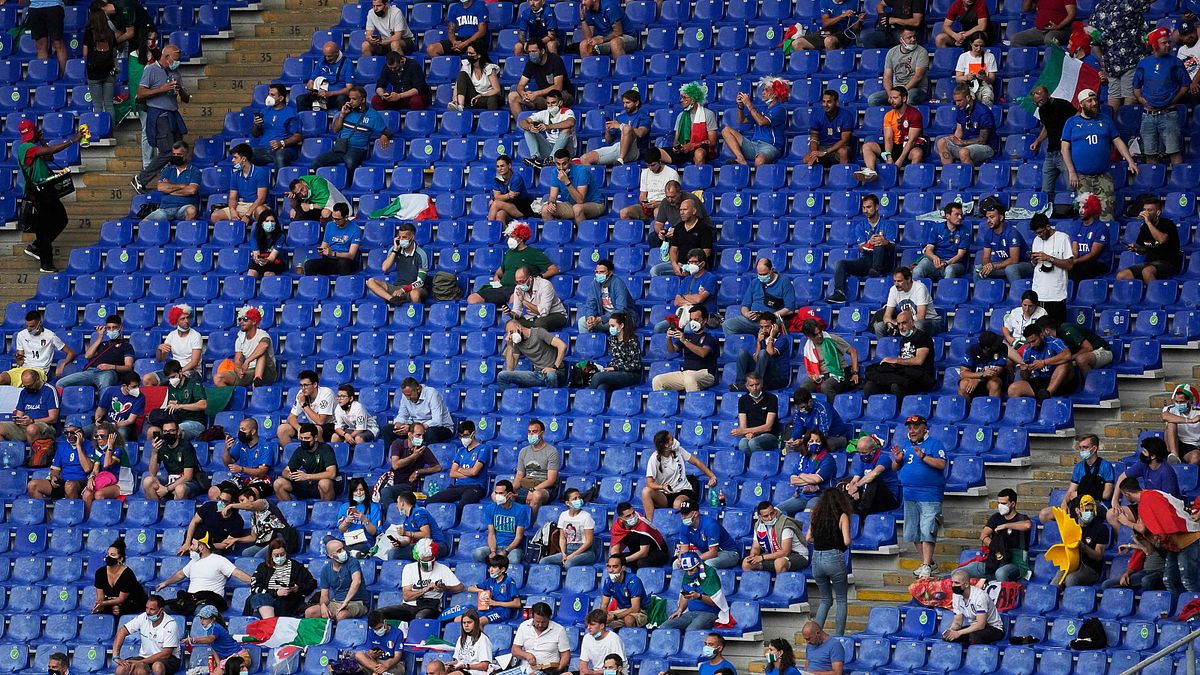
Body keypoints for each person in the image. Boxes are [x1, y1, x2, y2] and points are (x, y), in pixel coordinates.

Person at [1062, 88, 1138, 220]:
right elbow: (1064, 148)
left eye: (1095, 99)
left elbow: (1118, 141)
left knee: (1107, 211)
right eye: (1089, 101)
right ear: (1081, 104)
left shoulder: (1106, 120)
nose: (1094, 103)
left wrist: (1130, 161)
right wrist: (1071, 171)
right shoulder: (1071, 123)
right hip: (1082, 176)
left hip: (1103, 175)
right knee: (1085, 213)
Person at [130, 45, 189, 198]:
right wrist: (162, 89)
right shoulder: (151, 70)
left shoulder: (175, 73)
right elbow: (141, 93)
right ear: (167, 56)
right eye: (175, 59)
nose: (177, 63)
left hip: (173, 114)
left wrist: (180, 90)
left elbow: (186, 99)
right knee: (169, 151)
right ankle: (141, 179)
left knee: (178, 151)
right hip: (158, 114)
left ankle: (171, 182)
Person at [892, 415, 948, 578]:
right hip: (909, 494)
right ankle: (929, 564)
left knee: (927, 529)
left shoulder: (935, 444)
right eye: (909, 427)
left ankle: (925, 565)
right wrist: (897, 460)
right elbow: (895, 468)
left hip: (929, 494)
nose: (912, 430)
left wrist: (923, 456)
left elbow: (941, 464)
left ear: (925, 427)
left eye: (916, 427)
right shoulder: (906, 445)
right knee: (914, 531)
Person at [17, 124, 79, 265]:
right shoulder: (24, 148)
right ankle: (46, 263)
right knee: (45, 226)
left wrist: (41, 140)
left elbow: (49, 156)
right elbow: (52, 150)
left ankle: (37, 247)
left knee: (61, 219)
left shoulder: (34, 147)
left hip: (46, 190)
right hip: (39, 193)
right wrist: (72, 141)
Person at [467, 221, 559, 305]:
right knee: (473, 298)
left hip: (518, 289)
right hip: (501, 289)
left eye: (512, 236)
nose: (509, 239)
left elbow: (554, 269)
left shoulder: (533, 253)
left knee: (515, 303)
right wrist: (496, 277)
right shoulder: (509, 253)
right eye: (509, 236)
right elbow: (499, 271)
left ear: (521, 237)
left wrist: (539, 277)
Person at [1134, 27, 1189, 164]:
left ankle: (1180, 183)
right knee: (1149, 153)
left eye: (1168, 42)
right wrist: (1141, 99)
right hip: (1148, 115)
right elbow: (1136, 87)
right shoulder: (1143, 64)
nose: (1168, 45)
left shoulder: (1176, 63)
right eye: (1164, 43)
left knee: (1174, 152)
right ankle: (1151, 182)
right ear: (1154, 45)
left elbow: (1185, 85)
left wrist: (1174, 99)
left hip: (1168, 114)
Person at [156, 534, 252, 612]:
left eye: (193, 545)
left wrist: (255, 582)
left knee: (201, 611)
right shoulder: (193, 561)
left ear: (201, 547)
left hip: (210, 602)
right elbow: (180, 574)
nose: (190, 548)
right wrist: (166, 583)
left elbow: (238, 573)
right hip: (191, 600)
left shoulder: (219, 560)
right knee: (165, 609)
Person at [827, 194, 895, 304]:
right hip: (868, 260)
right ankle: (839, 293)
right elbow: (862, 248)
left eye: (869, 207)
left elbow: (893, 247)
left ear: (877, 207)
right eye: (864, 208)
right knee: (841, 263)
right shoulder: (860, 226)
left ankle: (876, 271)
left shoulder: (888, 225)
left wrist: (885, 242)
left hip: (884, 261)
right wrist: (869, 243)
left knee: (879, 243)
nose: (866, 210)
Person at [954, 488, 1032, 582]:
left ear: (1013, 504)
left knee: (1001, 573)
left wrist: (1006, 525)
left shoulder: (1021, 518)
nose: (1000, 506)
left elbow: (1027, 525)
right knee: (958, 573)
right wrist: (996, 546)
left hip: (1016, 563)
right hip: (995, 560)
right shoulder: (996, 517)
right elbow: (983, 535)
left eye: (1003, 503)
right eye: (999, 503)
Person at [378, 539, 464, 621]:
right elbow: (407, 597)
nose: (429, 564)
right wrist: (426, 589)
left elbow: (460, 588)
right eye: (425, 562)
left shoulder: (443, 569)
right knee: (378, 614)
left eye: (431, 560)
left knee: (420, 617)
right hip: (409, 606)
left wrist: (445, 588)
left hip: (430, 606)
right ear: (418, 559)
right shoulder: (409, 568)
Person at [854, 86, 926, 183]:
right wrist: (889, 156)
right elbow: (888, 138)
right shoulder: (888, 115)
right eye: (890, 98)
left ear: (904, 99)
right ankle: (870, 171)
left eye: (895, 98)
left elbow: (911, 140)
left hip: (908, 146)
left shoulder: (915, 114)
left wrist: (900, 160)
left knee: (917, 153)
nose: (891, 101)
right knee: (867, 146)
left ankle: (911, 180)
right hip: (894, 146)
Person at [313, 86, 391, 173]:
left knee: (350, 164)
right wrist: (342, 115)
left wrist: (384, 135)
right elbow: (335, 129)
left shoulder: (373, 116)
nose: (350, 102)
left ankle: (349, 185)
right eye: (349, 99)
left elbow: (388, 132)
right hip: (340, 147)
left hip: (357, 149)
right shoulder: (347, 110)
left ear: (363, 100)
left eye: (354, 99)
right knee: (316, 163)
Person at [1037, 434, 1113, 523]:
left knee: (1083, 509)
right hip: (1079, 503)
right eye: (1080, 447)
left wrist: (1080, 493)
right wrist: (1064, 503)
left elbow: (1106, 495)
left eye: (1085, 447)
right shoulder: (1079, 466)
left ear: (1094, 448)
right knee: (1044, 514)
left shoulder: (1106, 466)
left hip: (1099, 504)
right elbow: (1070, 492)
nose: (1082, 450)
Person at [642, 430, 717, 518]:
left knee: (678, 504)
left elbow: (696, 462)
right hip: (665, 494)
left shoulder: (678, 450)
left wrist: (711, 476)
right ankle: (650, 525)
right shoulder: (654, 458)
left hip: (683, 490)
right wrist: (662, 487)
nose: (674, 441)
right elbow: (649, 483)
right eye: (672, 439)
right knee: (645, 491)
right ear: (666, 445)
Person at [863, 310, 936, 398]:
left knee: (896, 386)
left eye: (904, 323)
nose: (901, 327)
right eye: (898, 324)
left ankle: (901, 410)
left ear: (912, 322)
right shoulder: (904, 339)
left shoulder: (923, 337)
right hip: (905, 375)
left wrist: (896, 361)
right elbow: (904, 360)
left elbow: (918, 360)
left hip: (920, 377)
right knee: (870, 386)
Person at [721, 76, 790, 166]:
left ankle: (759, 180)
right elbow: (742, 120)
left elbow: (762, 122)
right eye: (763, 90)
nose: (763, 92)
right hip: (754, 145)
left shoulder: (780, 110)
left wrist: (749, 104)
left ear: (775, 93)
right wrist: (741, 107)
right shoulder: (762, 109)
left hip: (770, 146)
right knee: (726, 130)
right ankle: (740, 159)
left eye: (767, 90)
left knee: (759, 161)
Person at [57, 314, 134, 393]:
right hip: (91, 371)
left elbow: (128, 367)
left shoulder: (126, 346)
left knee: (105, 389)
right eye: (109, 328)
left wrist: (112, 367)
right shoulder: (103, 344)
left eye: (114, 328)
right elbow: (88, 355)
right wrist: (100, 337)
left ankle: (102, 405)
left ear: (120, 328)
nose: (111, 330)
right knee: (60, 383)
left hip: (109, 373)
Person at [426, 420, 490, 516]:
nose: (463, 439)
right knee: (429, 501)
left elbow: (474, 472)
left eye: (465, 435)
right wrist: (468, 472)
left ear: (473, 434)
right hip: (458, 486)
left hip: (476, 487)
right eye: (461, 436)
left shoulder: (483, 448)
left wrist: (460, 469)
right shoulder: (460, 451)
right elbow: (452, 473)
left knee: (461, 506)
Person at [1028, 85, 1078, 202]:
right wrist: (1038, 141)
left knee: (1072, 186)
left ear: (1048, 95)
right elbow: (1047, 126)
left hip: (1065, 152)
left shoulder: (1062, 105)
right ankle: (1048, 212)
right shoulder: (1041, 110)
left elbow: (1077, 119)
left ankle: (1074, 211)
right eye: (1037, 103)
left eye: (1041, 101)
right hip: (1050, 153)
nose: (1039, 104)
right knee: (1046, 190)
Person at [1116, 194, 1182, 283]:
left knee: (1147, 271)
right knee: (1122, 275)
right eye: (1144, 210)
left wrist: (1148, 222)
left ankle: (1154, 296)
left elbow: (1161, 240)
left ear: (1158, 212)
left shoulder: (1167, 224)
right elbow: (1143, 249)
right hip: (1150, 263)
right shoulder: (1144, 227)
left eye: (1150, 210)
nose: (1146, 212)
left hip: (1168, 263)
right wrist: (1136, 248)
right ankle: (1138, 295)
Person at [653, 306, 719, 392]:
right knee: (658, 380)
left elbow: (703, 353)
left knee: (690, 379)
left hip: (705, 373)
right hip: (685, 373)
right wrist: (668, 338)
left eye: (696, 319)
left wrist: (685, 341)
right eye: (691, 320)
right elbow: (671, 350)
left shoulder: (710, 337)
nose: (693, 322)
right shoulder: (687, 336)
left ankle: (693, 405)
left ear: (705, 320)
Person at [723, 258, 796, 336]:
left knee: (765, 329)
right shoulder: (754, 282)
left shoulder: (784, 282)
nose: (762, 276)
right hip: (753, 320)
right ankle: (736, 347)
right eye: (759, 274)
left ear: (771, 270)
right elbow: (745, 306)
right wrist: (747, 314)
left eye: (764, 274)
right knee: (727, 325)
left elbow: (790, 309)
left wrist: (771, 316)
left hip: (772, 320)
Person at [0, 309, 74, 386]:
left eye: (31, 326)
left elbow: (70, 352)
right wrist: (18, 359)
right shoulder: (21, 335)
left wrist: (62, 364)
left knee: (28, 377)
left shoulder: (50, 336)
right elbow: (20, 362)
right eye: (27, 326)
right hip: (22, 369)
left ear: (39, 323)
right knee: (2, 378)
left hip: (40, 371)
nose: (28, 329)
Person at [662, 551, 730, 632]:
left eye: (691, 570)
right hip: (691, 612)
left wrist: (699, 597)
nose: (689, 573)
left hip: (709, 613)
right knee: (665, 627)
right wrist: (680, 609)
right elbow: (685, 595)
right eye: (687, 571)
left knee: (691, 630)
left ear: (698, 565)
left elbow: (716, 602)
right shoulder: (688, 575)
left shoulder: (710, 574)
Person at [140, 419, 207, 501]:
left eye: (172, 431)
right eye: (165, 431)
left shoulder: (186, 447)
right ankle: (157, 511)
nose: (169, 434)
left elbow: (187, 476)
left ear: (178, 431)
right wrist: (154, 453)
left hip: (191, 482)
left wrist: (167, 489)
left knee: (179, 489)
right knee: (148, 481)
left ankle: (177, 512)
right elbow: (152, 473)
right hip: (171, 480)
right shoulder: (162, 446)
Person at [112, 595, 181, 675]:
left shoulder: (170, 624)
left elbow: (166, 653)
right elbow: (122, 631)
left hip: (169, 659)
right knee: (121, 669)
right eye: (147, 608)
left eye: (152, 609)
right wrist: (116, 656)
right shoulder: (143, 617)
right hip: (145, 657)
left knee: (157, 667)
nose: (148, 612)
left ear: (161, 610)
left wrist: (140, 662)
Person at [651, 249, 717, 332]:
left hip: (701, 318)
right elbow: (677, 301)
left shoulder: (710, 278)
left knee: (687, 330)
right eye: (690, 262)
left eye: (695, 262)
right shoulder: (687, 280)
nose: (692, 264)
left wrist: (685, 296)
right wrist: (693, 301)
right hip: (683, 316)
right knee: (659, 327)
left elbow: (699, 299)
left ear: (702, 263)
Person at [227, 485, 300, 558]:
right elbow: (253, 537)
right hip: (266, 543)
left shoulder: (263, 503)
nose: (240, 504)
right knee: (246, 553)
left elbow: (250, 505)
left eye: (242, 500)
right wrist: (236, 539)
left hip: (282, 539)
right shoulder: (253, 516)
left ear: (251, 498)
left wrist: (231, 505)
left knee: (258, 556)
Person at [651, 196, 716, 278]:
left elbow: (706, 252)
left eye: (685, 210)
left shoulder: (704, 228)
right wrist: (675, 265)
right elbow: (673, 250)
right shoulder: (678, 227)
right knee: (655, 271)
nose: (681, 212)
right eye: (680, 210)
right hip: (680, 264)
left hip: (696, 265)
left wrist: (691, 267)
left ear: (694, 211)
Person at [273, 423, 340, 501]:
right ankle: (291, 510)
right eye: (302, 438)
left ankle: (325, 510)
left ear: (315, 438)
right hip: (307, 484)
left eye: (307, 438)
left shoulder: (325, 449)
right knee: (278, 483)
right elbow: (285, 471)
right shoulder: (300, 451)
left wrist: (307, 476)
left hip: (321, 484)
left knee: (324, 483)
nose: (304, 441)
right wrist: (290, 475)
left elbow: (331, 474)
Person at [1008, 324, 1076, 400]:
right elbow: (1025, 377)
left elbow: (1067, 355)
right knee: (1013, 389)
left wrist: (1044, 362)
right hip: (1042, 380)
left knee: (1064, 364)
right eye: (1029, 343)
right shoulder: (1028, 350)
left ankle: (1047, 394)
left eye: (1034, 341)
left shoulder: (1054, 342)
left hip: (1061, 382)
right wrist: (1025, 370)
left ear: (1041, 335)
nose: (1032, 345)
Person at [179, 482, 249, 556]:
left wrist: (206, 546)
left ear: (233, 503)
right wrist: (187, 543)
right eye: (219, 499)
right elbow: (193, 522)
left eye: (224, 501)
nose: (220, 503)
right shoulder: (208, 506)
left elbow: (226, 544)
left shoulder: (237, 521)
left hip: (213, 547)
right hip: (194, 541)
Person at [305, 539, 370, 620]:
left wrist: (346, 602)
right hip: (336, 602)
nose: (343, 552)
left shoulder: (353, 562)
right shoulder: (325, 569)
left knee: (341, 615)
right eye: (339, 551)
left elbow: (357, 581)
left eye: (343, 548)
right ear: (331, 555)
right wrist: (323, 606)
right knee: (310, 612)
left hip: (358, 602)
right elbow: (324, 595)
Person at [367, 222, 429, 306]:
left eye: (404, 237)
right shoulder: (394, 250)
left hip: (415, 288)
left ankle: (415, 315)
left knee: (414, 294)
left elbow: (420, 282)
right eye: (400, 237)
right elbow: (384, 268)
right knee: (370, 281)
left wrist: (403, 290)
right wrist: (395, 250)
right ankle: (393, 300)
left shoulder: (421, 254)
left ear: (412, 237)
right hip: (398, 286)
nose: (402, 240)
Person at [508, 40, 575, 118]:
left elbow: (558, 87)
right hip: (543, 98)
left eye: (534, 51)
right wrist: (523, 94)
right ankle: (522, 126)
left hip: (561, 95)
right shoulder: (530, 63)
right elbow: (521, 84)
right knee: (513, 96)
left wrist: (535, 94)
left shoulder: (555, 60)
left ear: (542, 51)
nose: (531, 54)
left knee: (556, 99)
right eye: (529, 52)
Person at [378, 423, 442, 503]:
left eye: (423, 435)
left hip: (408, 485)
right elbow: (395, 465)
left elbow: (437, 467)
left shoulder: (423, 449)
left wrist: (418, 471)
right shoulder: (398, 444)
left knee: (386, 492)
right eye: (418, 435)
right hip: (392, 480)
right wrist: (414, 456)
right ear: (410, 435)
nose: (421, 438)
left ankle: (389, 515)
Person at [381, 489, 451, 561]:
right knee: (393, 551)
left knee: (395, 553)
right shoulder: (406, 520)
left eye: (397, 502)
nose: (396, 506)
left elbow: (427, 534)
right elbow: (407, 540)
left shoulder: (419, 512)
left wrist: (406, 533)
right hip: (422, 546)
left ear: (402, 503)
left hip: (437, 544)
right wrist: (399, 543)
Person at [779, 429, 838, 514]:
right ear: (806, 443)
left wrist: (801, 474)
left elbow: (816, 480)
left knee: (807, 515)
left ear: (822, 443)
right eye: (811, 441)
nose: (814, 443)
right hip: (802, 496)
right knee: (776, 511)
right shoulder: (804, 457)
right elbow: (793, 480)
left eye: (818, 441)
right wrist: (810, 478)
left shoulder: (827, 459)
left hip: (820, 495)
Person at [935, 84, 996, 165]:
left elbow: (982, 140)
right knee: (941, 142)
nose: (957, 104)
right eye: (955, 101)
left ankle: (968, 176)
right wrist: (954, 140)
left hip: (986, 147)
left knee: (963, 152)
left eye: (960, 100)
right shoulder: (960, 109)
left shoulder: (983, 112)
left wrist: (962, 143)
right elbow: (959, 131)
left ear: (968, 97)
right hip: (966, 144)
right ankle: (949, 172)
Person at [145, 362, 208, 441]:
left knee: (175, 431)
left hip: (195, 422)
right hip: (177, 420)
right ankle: (155, 453)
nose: (171, 380)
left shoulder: (194, 384)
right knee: (152, 431)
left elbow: (203, 405)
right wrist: (171, 405)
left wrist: (180, 406)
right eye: (169, 378)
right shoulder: (171, 387)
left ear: (180, 372)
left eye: (173, 377)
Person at [797, 319, 860, 399]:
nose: (820, 336)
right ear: (809, 336)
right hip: (822, 376)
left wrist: (855, 373)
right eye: (815, 335)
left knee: (826, 386)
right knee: (804, 388)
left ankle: (832, 409)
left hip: (840, 374)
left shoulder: (832, 338)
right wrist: (814, 376)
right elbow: (811, 370)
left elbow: (853, 352)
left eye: (820, 332)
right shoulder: (808, 347)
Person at [498, 320, 568, 390]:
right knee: (502, 375)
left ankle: (551, 398)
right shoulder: (517, 343)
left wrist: (554, 368)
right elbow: (510, 369)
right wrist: (510, 346)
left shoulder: (538, 332)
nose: (510, 336)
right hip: (538, 375)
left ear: (518, 327)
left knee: (551, 375)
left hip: (555, 373)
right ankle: (510, 398)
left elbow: (562, 346)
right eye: (509, 334)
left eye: (511, 332)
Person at [1029, 214, 1074, 324]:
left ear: (1048, 227)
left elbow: (1070, 264)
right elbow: (1034, 264)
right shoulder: (1036, 240)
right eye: (1036, 233)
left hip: (1057, 293)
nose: (1039, 235)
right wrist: (1033, 260)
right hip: (1039, 291)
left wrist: (1049, 258)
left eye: (1040, 232)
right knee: (1040, 329)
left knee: (1057, 329)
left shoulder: (1063, 238)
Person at [0, 369, 59, 453]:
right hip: (25, 426)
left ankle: (35, 458)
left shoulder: (49, 390)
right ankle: (7, 456)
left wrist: (32, 421)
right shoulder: (24, 391)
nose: (27, 388)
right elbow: (19, 414)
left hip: (45, 426)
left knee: (31, 429)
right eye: (25, 385)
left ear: (38, 379)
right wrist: (19, 420)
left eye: (30, 385)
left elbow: (53, 418)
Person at [210, 143, 270, 225]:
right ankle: (232, 235)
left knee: (261, 211)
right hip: (241, 205)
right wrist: (232, 211)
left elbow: (261, 198)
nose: (232, 160)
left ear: (244, 159)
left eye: (235, 158)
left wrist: (247, 215)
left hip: (257, 205)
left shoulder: (260, 173)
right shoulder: (235, 174)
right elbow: (232, 197)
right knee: (215, 216)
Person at [473, 479, 531, 564]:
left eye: (501, 493)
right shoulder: (490, 508)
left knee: (514, 559)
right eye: (496, 493)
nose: (497, 496)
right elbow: (491, 534)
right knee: (478, 553)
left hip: (512, 548)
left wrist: (506, 552)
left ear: (510, 494)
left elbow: (518, 537)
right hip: (495, 546)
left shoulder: (520, 510)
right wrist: (493, 551)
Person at [143, 305, 203, 387]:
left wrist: (179, 372)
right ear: (176, 320)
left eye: (188, 318)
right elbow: (160, 359)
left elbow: (194, 363)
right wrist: (159, 349)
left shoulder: (196, 336)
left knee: (178, 379)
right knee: (147, 379)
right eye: (183, 319)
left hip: (191, 371)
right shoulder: (171, 335)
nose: (186, 321)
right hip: (174, 370)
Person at [843, 434, 902, 516]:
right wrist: (852, 489)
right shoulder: (862, 460)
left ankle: (861, 511)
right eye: (859, 452)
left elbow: (874, 473)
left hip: (887, 499)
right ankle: (848, 508)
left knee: (874, 479)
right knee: (846, 481)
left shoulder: (884, 458)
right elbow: (855, 478)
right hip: (869, 497)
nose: (861, 455)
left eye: (864, 452)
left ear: (873, 450)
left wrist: (857, 486)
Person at [540, 149, 605, 224]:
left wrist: (567, 182)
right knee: (545, 209)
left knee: (578, 208)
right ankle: (556, 234)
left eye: (564, 164)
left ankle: (582, 235)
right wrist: (551, 203)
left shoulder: (582, 171)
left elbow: (580, 200)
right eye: (558, 164)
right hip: (572, 205)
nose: (561, 168)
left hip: (595, 204)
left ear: (570, 161)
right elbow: (553, 197)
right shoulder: (554, 172)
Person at [974, 199, 1033, 282]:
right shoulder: (988, 234)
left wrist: (994, 266)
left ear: (1001, 217)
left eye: (992, 217)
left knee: (1010, 269)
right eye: (987, 218)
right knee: (978, 270)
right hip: (1004, 265)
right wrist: (987, 266)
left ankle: (1017, 293)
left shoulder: (1011, 233)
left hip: (1023, 265)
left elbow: (1014, 260)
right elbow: (986, 257)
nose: (988, 221)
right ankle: (984, 293)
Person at [866, 29, 929, 105]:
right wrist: (890, 93)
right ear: (901, 40)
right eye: (909, 37)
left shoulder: (922, 52)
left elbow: (918, 76)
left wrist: (902, 92)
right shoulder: (892, 52)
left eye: (914, 36)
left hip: (916, 89)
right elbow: (887, 76)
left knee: (908, 98)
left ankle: (905, 116)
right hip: (896, 90)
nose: (913, 39)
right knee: (873, 99)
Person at [27, 422, 89, 500]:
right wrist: (54, 477)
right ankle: (43, 511)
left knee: (69, 486)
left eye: (72, 433)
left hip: (80, 482)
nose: (69, 435)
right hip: (63, 481)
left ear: (80, 433)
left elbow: (87, 469)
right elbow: (55, 469)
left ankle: (72, 511)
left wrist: (79, 446)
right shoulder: (62, 446)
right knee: (32, 485)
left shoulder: (89, 445)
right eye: (66, 433)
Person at [875, 267, 943, 336]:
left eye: (899, 281)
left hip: (930, 321)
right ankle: (885, 346)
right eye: (894, 281)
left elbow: (921, 317)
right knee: (879, 327)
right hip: (905, 322)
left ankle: (914, 346)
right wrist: (889, 323)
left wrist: (901, 322)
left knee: (918, 325)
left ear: (908, 279)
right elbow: (886, 316)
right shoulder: (893, 290)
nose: (896, 284)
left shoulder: (920, 288)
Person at [941, 569, 1005, 644]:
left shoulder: (980, 596)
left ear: (966, 584)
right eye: (952, 583)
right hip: (974, 628)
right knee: (948, 638)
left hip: (994, 628)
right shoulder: (956, 595)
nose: (953, 585)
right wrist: (951, 631)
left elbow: (981, 625)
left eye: (956, 583)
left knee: (974, 637)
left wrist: (959, 633)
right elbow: (957, 622)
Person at [743, 500, 809, 573]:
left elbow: (785, 552)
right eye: (766, 516)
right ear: (760, 517)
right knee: (746, 563)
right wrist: (753, 555)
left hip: (798, 556)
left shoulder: (785, 524)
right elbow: (756, 547)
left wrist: (762, 557)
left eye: (772, 513)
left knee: (779, 563)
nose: (770, 518)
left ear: (775, 511)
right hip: (774, 556)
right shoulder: (758, 525)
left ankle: (781, 584)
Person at [213, 418, 274, 497]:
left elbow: (262, 472)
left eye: (243, 429)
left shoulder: (265, 446)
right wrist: (227, 449)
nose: (240, 432)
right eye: (240, 429)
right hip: (241, 479)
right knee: (214, 492)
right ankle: (223, 508)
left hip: (259, 480)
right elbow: (227, 462)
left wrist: (242, 469)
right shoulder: (240, 442)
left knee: (247, 496)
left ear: (253, 431)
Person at [513, 420, 560, 520]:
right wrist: (510, 490)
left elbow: (551, 480)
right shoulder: (524, 451)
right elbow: (519, 476)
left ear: (542, 433)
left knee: (536, 495)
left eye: (534, 431)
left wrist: (534, 490)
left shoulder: (552, 451)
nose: (531, 434)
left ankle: (531, 524)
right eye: (529, 432)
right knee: (502, 494)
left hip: (545, 489)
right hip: (526, 486)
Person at [183, 605, 250, 675]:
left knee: (223, 671)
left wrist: (193, 639)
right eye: (201, 618)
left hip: (239, 656)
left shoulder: (215, 628)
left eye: (205, 618)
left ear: (213, 619)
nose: (202, 621)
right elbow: (214, 650)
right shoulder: (210, 630)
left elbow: (209, 640)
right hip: (230, 658)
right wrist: (219, 665)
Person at [388, 377, 455, 447]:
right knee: (388, 429)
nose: (408, 398)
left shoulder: (432, 394)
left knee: (430, 433)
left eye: (409, 395)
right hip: (416, 428)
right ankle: (394, 456)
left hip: (440, 428)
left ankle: (428, 456)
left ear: (418, 389)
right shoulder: (406, 395)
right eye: (406, 395)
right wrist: (398, 425)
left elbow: (437, 421)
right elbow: (402, 415)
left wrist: (412, 428)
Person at [142, 141, 199, 222]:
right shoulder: (167, 170)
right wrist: (182, 186)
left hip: (183, 206)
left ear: (186, 155)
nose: (176, 157)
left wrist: (170, 189)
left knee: (191, 211)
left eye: (179, 155)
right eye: (174, 154)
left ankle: (186, 234)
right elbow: (161, 187)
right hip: (165, 208)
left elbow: (192, 190)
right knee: (144, 224)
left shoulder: (194, 171)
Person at [249, 83, 302, 170]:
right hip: (264, 150)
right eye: (269, 94)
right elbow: (255, 134)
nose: (269, 97)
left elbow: (298, 137)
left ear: (281, 98)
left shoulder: (290, 113)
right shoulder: (264, 111)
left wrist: (281, 143)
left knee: (279, 156)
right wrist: (256, 125)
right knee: (246, 154)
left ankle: (280, 182)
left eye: (272, 95)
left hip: (284, 149)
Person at [912, 202, 971, 280]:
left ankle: (946, 292)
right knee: (917, 270)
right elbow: (929, 249)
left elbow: (960, 255)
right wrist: (934, 258)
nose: (960, 217)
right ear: (947, 216)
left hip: (954, 263)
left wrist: (946, 263)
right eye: (957, 214)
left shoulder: (965, 231)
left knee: (950, 270)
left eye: (961, 214)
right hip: (936, 261)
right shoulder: (937, 228)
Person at [540, 488, 596, 568]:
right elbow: (562, 538)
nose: (579, 500)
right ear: (567, 503)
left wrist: (573, 555)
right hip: (568, 550)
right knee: (544, 561)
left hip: (585, 552)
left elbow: (589, 542)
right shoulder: (563, 515)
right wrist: (563, 554)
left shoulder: (586, 516)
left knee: (569, 564)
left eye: (579, 497)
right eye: (575, 499)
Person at [733, 314, 790, 391]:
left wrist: (771, 337)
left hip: (778, 377)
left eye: (767, 327)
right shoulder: (761, 338)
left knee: (763, 353)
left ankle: (755, 383)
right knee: (742, 353)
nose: (763, 330)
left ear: (774, 326)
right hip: (764, 376)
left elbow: (770, 353)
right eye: (761, 327)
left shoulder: (783, 339)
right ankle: (740, 385)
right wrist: (759, 343)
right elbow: (756, 359)